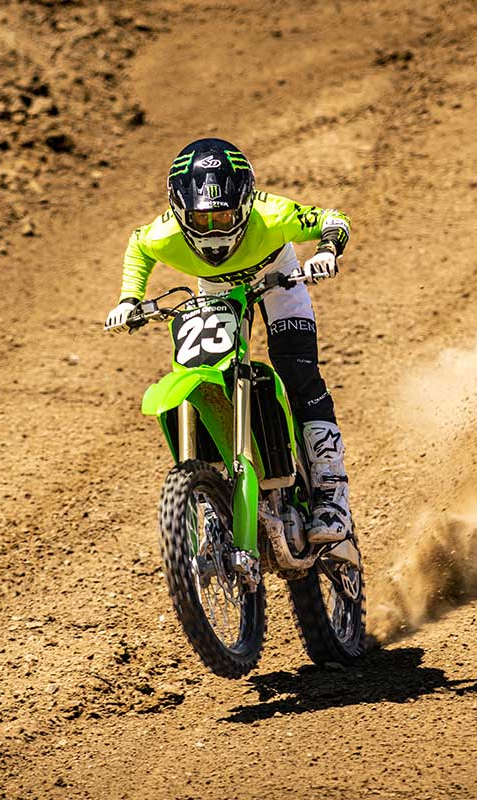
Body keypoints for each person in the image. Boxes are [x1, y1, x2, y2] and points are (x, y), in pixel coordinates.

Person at [105, 137, 353, 544]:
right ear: (180, 212)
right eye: (201, 220)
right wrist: (130, 299)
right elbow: (138, 245)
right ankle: (217, 495)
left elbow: (333, 218)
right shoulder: (163, 233)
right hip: (216, 290)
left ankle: (331, 490)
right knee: (207, 375)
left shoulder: (272, 216)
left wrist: (327, 250)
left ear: (245, 204)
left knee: (297, 371)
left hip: (279, 277)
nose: (213, 228)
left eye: (223, 216)